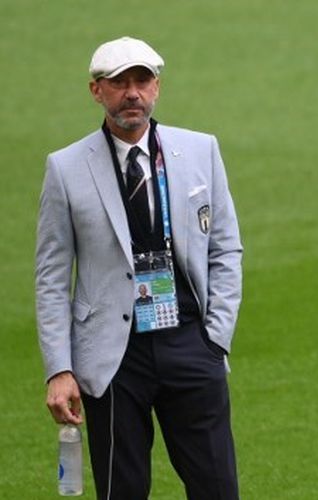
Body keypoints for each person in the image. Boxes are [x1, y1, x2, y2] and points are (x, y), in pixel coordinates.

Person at [35, 36, 243, 499]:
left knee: (217, 488)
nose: (132, 93)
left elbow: (226, 249)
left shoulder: (201, 151)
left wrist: (217, 337)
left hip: (191, 344)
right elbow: (51, 278)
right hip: (113, 358)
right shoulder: (66, 168)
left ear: (157, 88)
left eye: (142, 81)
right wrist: (59, 369)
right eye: (119, 82)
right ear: (97, 91)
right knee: (122, 491)